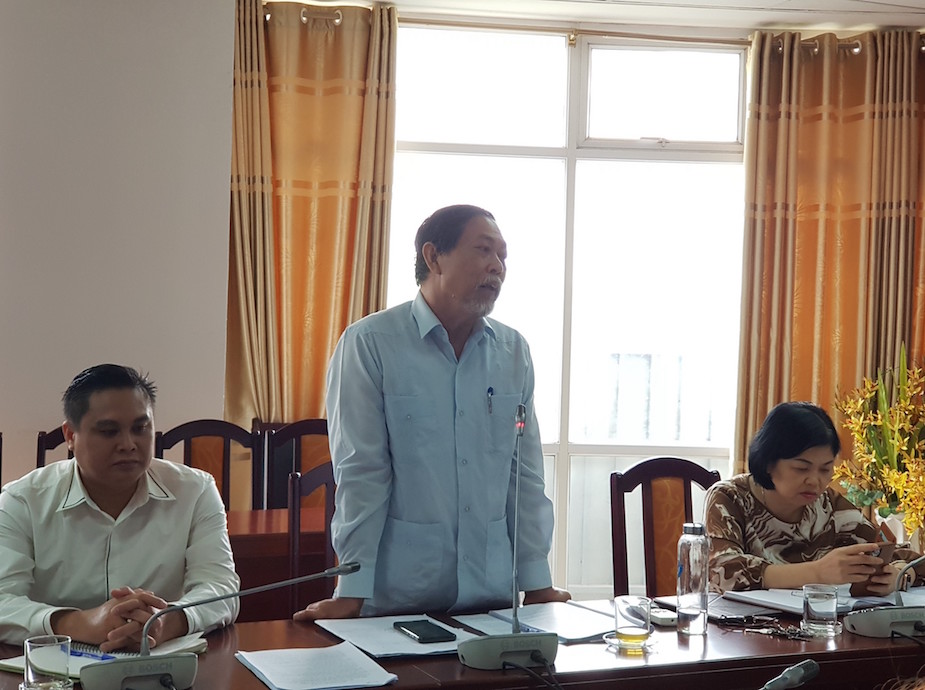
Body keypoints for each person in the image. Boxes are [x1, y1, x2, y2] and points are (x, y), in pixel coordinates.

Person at [295, 204, 570, 621]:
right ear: (433, 256)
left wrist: (537, 582)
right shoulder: (370, 344)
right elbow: (361, 473)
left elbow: (524, 476)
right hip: (400, 600)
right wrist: (350, 590)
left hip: (492, 600)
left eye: (503, 256)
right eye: (483, 250)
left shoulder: (514, 352)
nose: (497, 267)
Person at [0, 364, 239, 649]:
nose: (128, 444)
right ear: (70, 436)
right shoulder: (23, 501)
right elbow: (3, 599)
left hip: (160, 660)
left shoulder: (195, 491)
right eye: (109, 431)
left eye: (140, 428)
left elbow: (221, 588)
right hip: (54, 664)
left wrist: (164, 623)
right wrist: (81, 623)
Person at [705, 401, 923, 593]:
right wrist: (817, 573)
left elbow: (907, 557)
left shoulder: (829, 505)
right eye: (802, 468)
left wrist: (898, 575)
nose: (815, 481)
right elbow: (721, 571)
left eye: (825, 469)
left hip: (814, 622)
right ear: (768, 463)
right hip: (740, 625)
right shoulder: (729, 498)